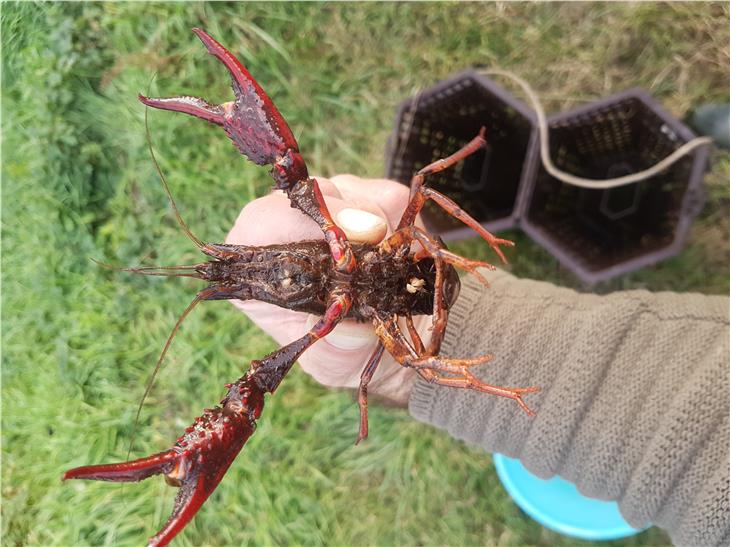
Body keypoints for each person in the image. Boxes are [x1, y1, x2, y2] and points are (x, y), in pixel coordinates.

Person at [227, 174, 730, 547]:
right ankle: (499, 383)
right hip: (404, 320)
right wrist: (391, 371)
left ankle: (484, 297)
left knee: (419, 189)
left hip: (420, 279)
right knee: (418, 359)